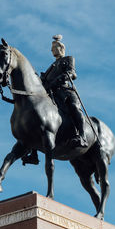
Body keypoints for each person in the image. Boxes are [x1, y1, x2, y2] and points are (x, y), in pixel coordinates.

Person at [22, 35, 88, 166]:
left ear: (61, 48)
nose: (52, 50)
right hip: (52, 94)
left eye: (54, 47)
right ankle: (33, 154)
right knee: (38, 115)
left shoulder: (68, 59)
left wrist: (62, 77)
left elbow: (72, 73)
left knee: (74, 108)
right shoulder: (50, 67)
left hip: (65, 92)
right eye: (51, 48)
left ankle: (82, 136)